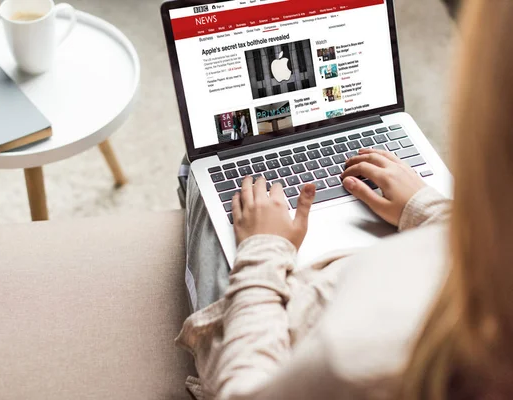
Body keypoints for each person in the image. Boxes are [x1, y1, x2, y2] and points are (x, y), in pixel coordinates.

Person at [176, 0, 513, 398]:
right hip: (378, 269)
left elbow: (246, 389)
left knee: (203, 169)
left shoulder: (355, 362)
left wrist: (263, 250)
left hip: (281, 325)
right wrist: (428, 209)